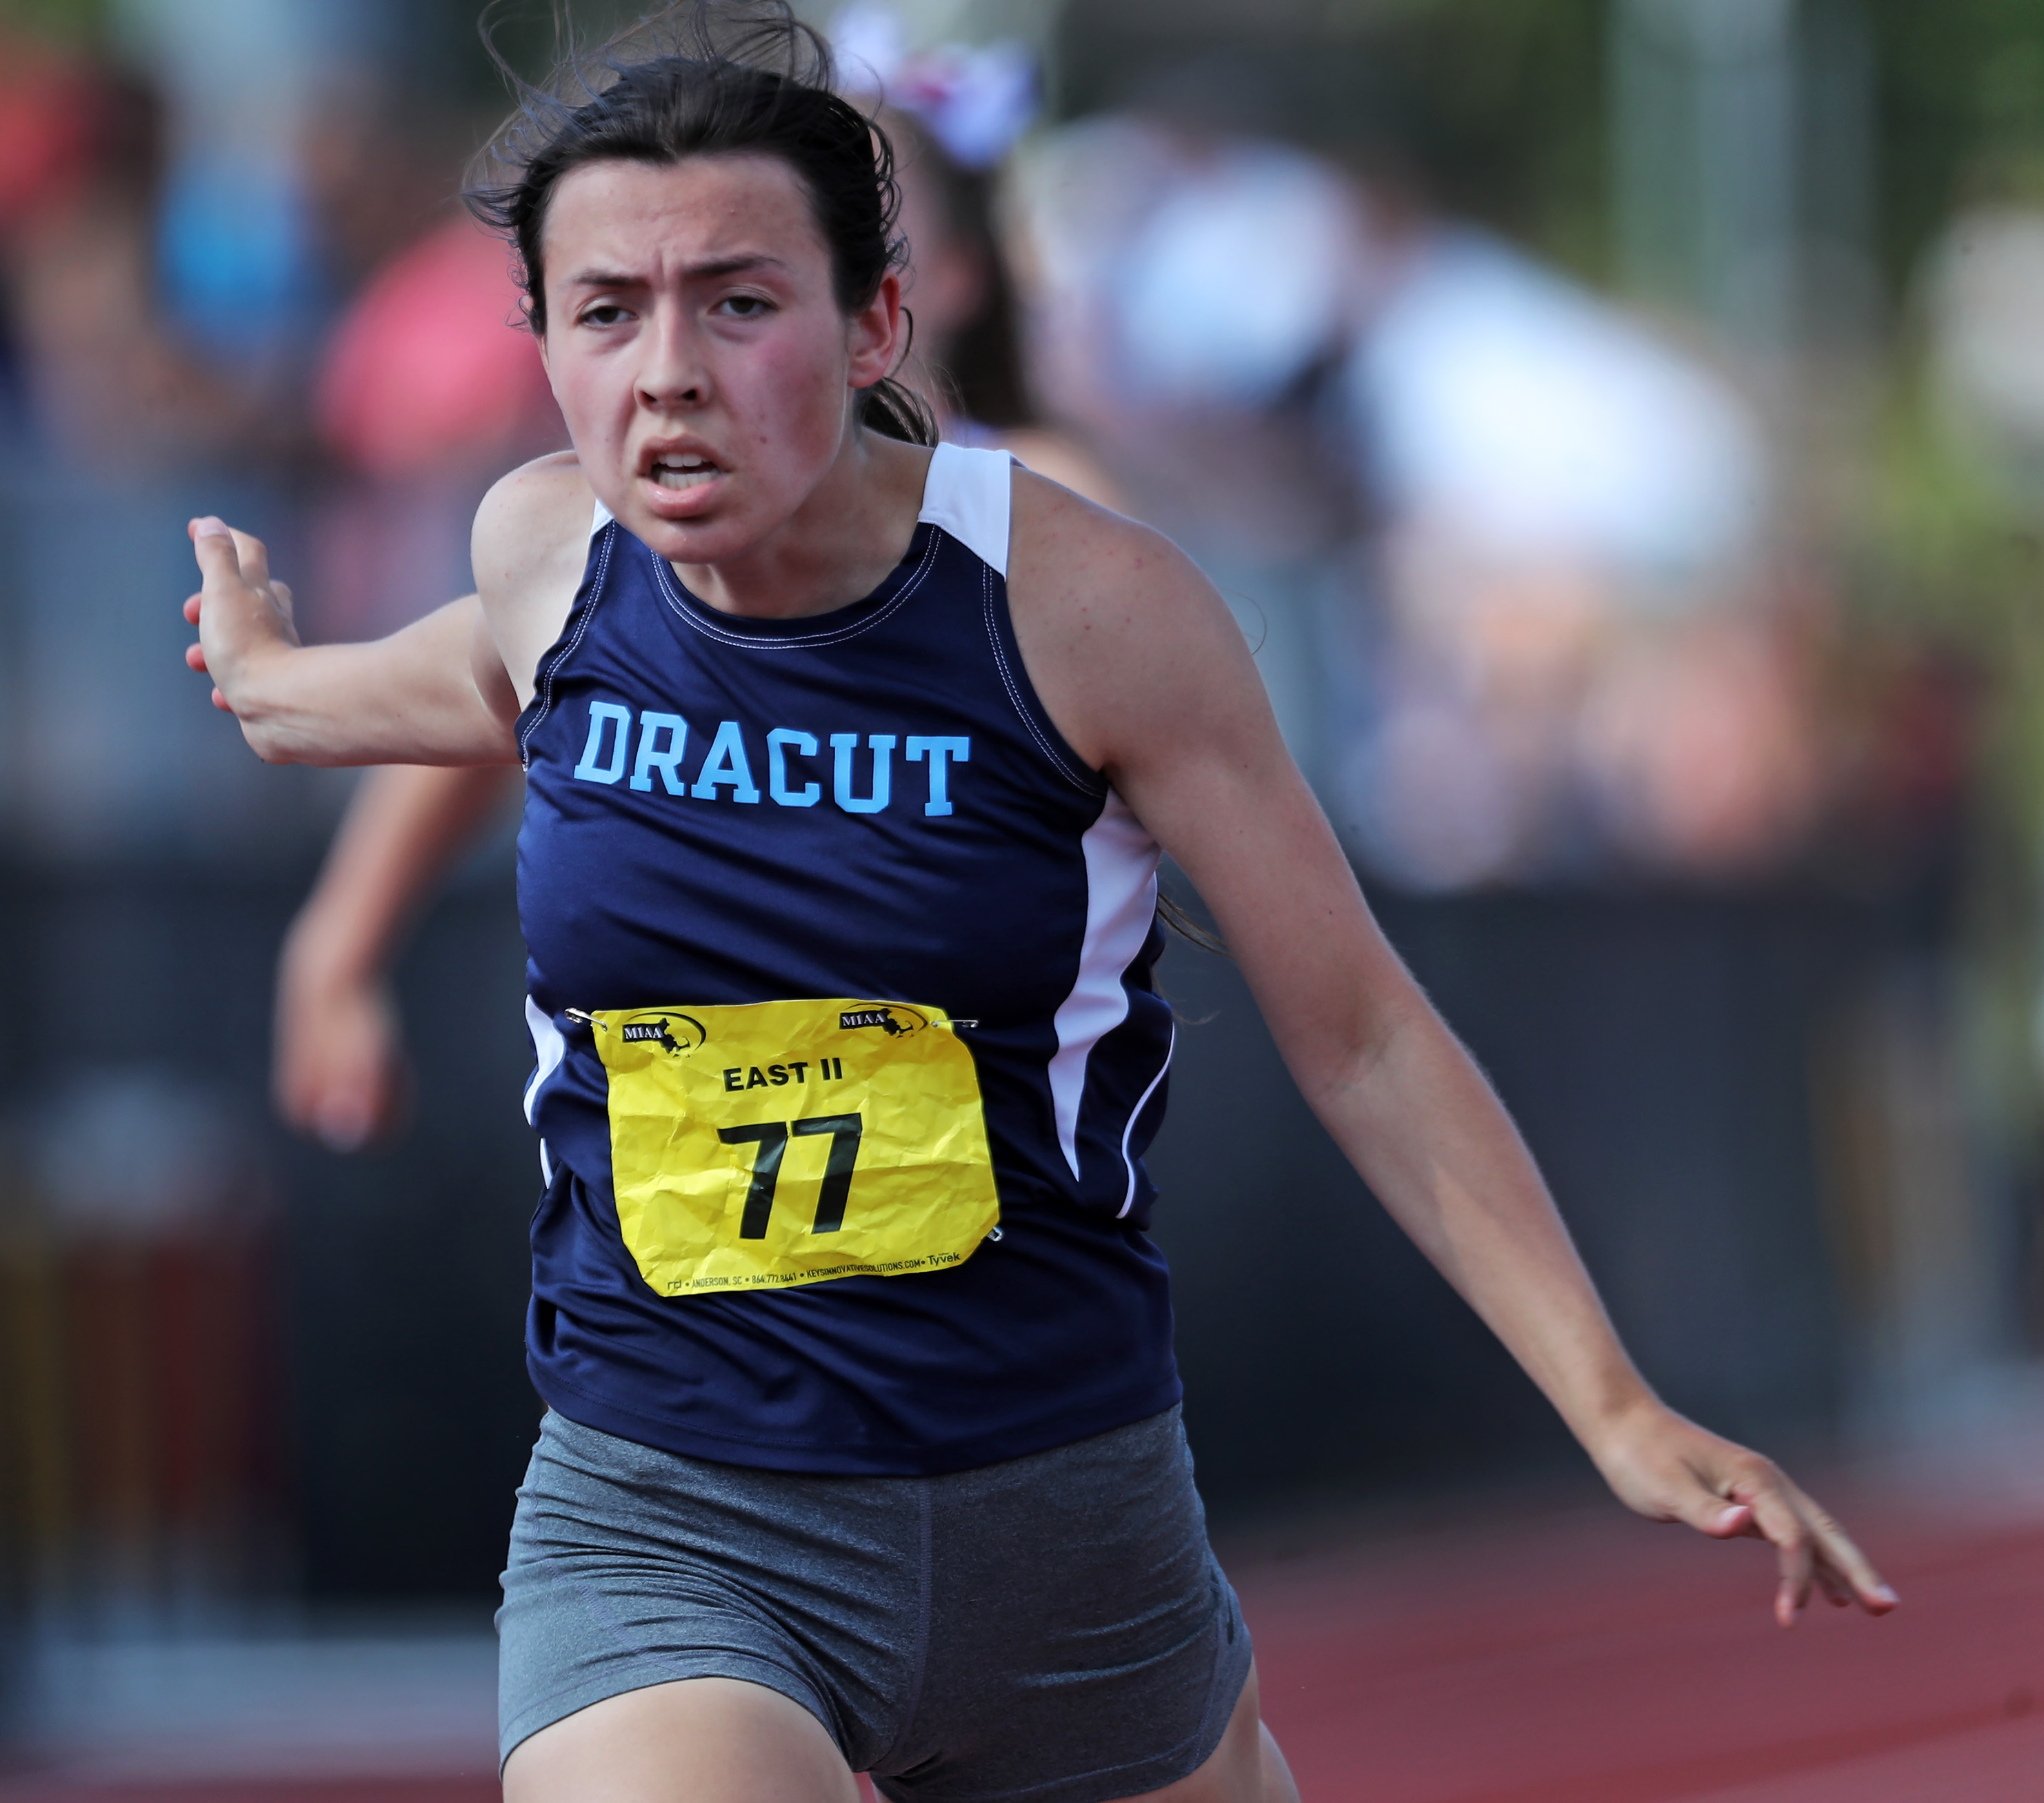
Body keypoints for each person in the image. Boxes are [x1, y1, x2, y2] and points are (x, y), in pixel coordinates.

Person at [181, 7, 1894, 1800]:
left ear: (874, 325)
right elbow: (470, 686)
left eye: (739, 303)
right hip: (674, 1510)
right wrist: (279, 701)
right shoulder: (546, 552)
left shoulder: (1085, 606)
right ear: (543, 344)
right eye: (606, 311)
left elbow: (1368, 1029)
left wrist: (1610, 1403)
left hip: (1059, 1536)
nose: (666, 370)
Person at [272, 81, 1116, 1151]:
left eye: (753, 290)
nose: (687, 354)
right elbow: (509, 676)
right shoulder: (645, 518)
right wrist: (338, 947)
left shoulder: (1044, 511)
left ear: (908, 292)